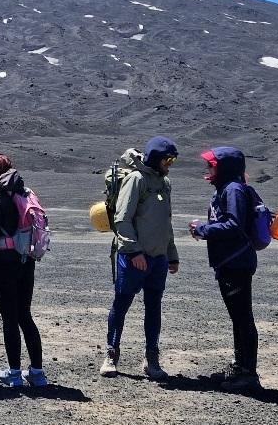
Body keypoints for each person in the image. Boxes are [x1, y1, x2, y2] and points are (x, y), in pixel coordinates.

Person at [102, 136, 180, 380]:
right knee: (121, 305)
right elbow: (122, 219)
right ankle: (111, 354)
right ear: (157, 158)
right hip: (133, 257)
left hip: (157, 259)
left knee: (154, 308)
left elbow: (166, 222)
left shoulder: (165, 182)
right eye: (168, 160)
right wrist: (134, 252)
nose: (170, 164)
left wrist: (172, 254)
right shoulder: (136, 180)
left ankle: (151, 357)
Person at [188, 146, 261, 391]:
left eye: (212, 165)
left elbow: (234, 225)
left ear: (224, 167)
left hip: (236, 263)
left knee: (242, 318)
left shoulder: (233, 190)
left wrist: (202, 231)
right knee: (238, 317)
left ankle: (248, 374)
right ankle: (240, 367)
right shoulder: (229, 188)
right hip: (231, 262)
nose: (208, 169)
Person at [0, 154, 48, 388]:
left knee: (9, 317)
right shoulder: (26, 191)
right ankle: (37, 373)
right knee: (25, 315)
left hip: (3, 262)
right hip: (26, 259)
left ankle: (14, 374)